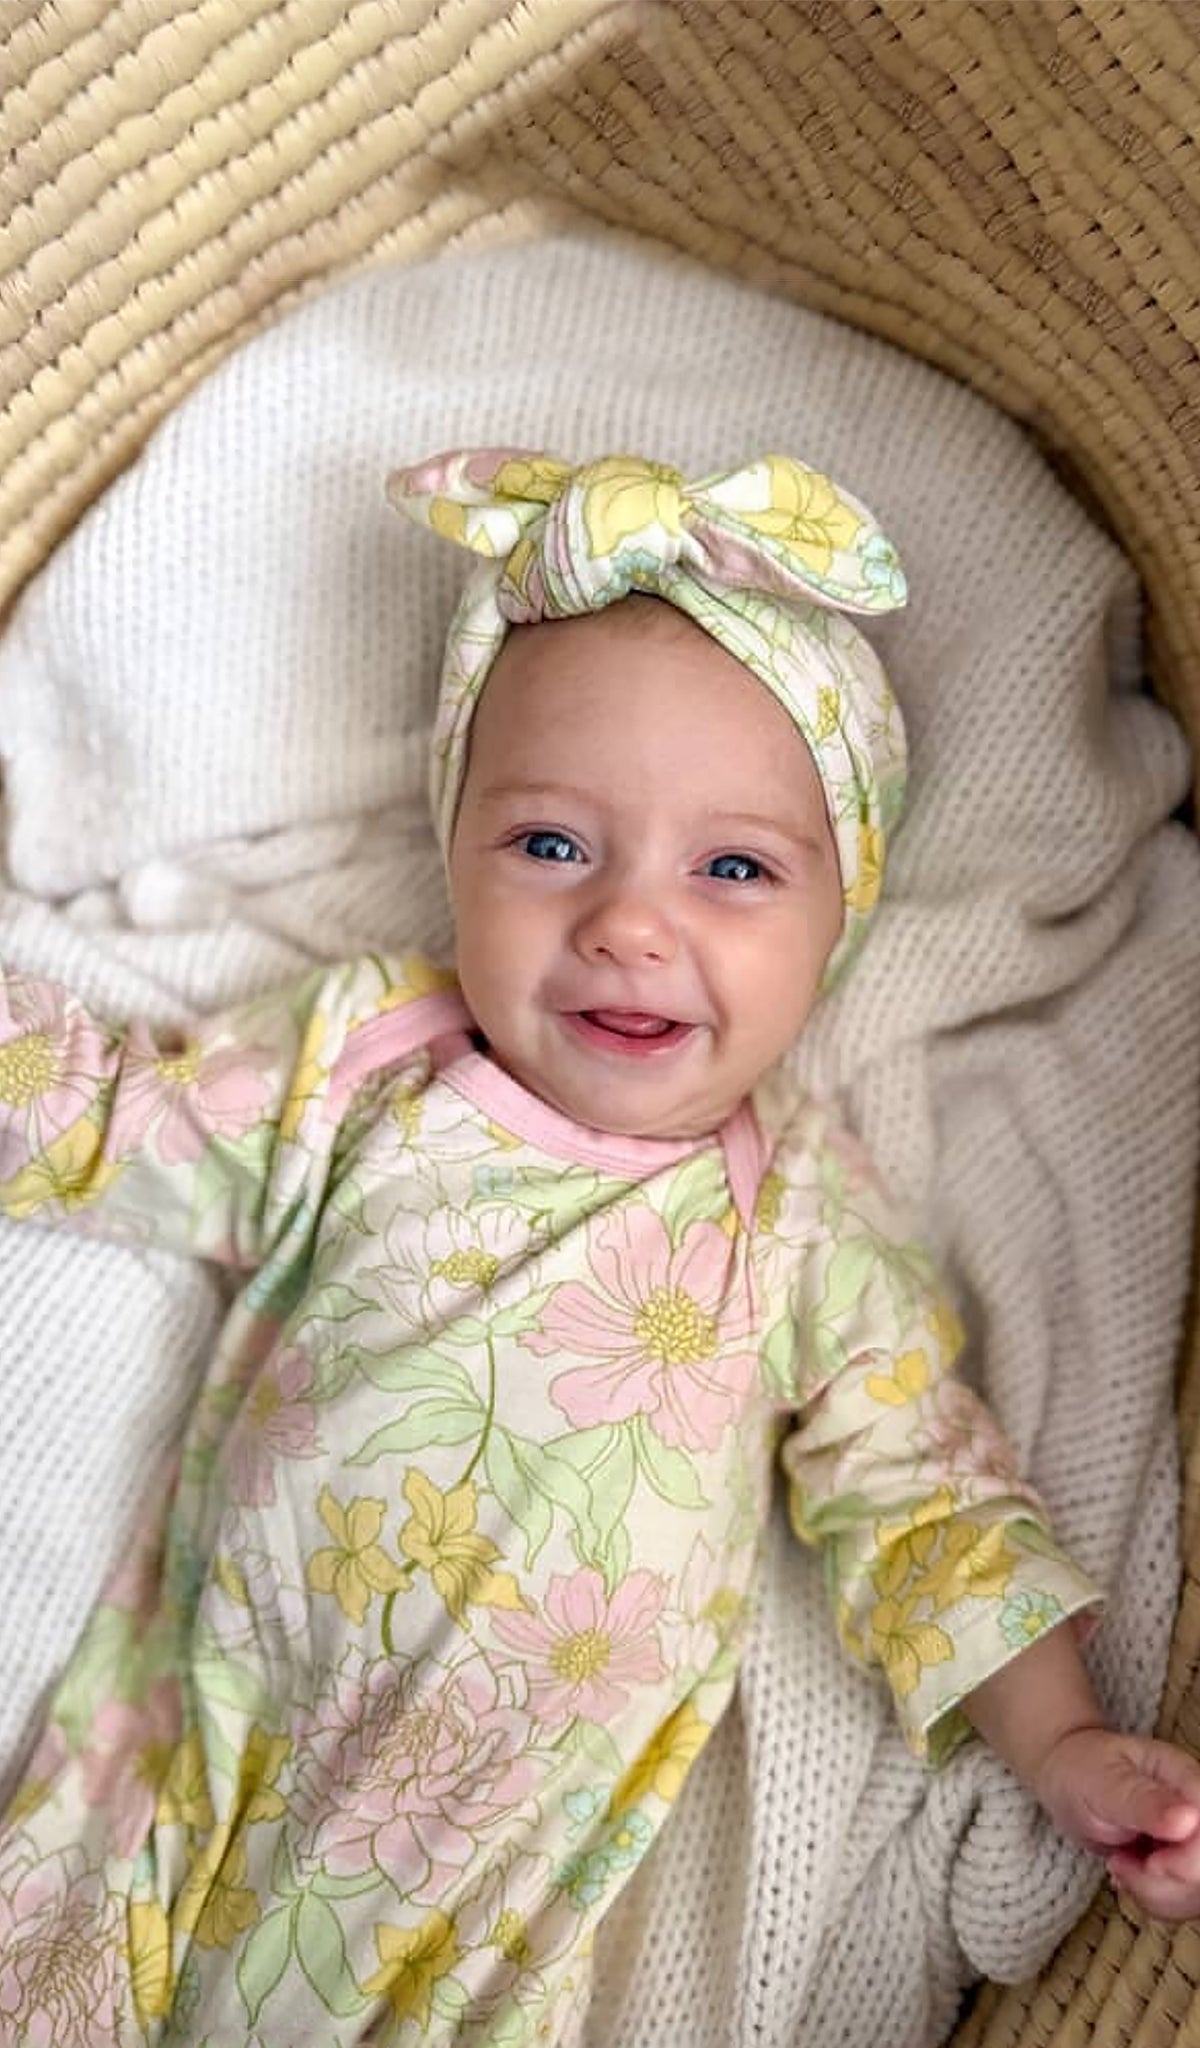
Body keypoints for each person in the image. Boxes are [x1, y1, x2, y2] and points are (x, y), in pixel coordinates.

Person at [0, 447, 1197, 2048]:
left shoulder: (799, 1221)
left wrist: (1063, 1748)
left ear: (840, 920)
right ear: (455, 849)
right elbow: (107, 1124)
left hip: (471, 1869)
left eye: (734, 870)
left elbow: (928, 1505)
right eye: (553, 845)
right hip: (186, 1745)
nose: (633, 922)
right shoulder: (369, 1062)